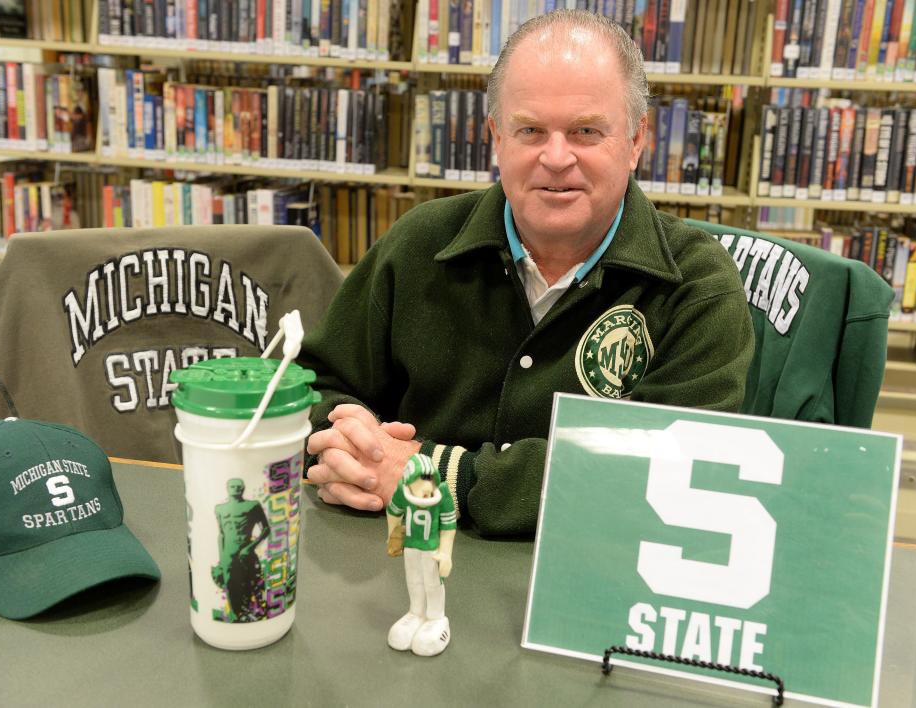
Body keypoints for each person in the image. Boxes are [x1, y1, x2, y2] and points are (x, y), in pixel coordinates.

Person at [298, 10, 754, 537]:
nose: (556, 157)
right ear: (496, 138)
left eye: (586, 131)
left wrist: (439, 475)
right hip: (402, 572)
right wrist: (352, 442)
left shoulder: (697, 285)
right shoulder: (419, 243)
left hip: (590, 581)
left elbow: (672, 469)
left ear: (635, 142)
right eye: (530, 130)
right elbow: (319, 384)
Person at [385, 454, 457, 656]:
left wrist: (446, 554)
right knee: (414, 580)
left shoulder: (441, 493)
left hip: (431, 550)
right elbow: (393, 511)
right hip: (411, 547)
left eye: (429, 478)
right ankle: (416, 612)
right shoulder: (402, 490)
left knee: (432, 582)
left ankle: (436, 617)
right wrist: (393, 535)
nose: (427, 487)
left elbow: (448, 526)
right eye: (421, 478)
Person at [212, 478, 271, 622]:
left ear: (243, 488)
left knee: (249, 583)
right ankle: (235, 616)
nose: (236, 489)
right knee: (230, 585)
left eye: (239, 486)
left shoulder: (252, 506)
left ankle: (249, 614)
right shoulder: (220, 508)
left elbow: (266, 529)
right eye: (232, 486)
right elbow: (222, 534)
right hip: (228, 553)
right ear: (227, 488)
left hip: (246, 552)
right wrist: (222, 558)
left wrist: (250, 547)